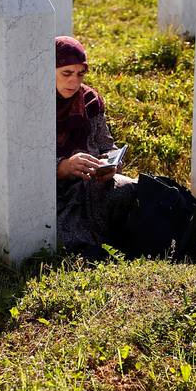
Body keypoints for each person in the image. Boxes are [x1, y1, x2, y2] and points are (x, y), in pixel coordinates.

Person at [54, 36, 139, 259]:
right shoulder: (35, 105)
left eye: (80, 74)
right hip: (57, 194)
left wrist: (110, 165)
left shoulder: (89, 100)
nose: (74, 81)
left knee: (132, 191)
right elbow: (25, 163)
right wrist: (62, 167)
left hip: (94, 184)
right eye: (66, 73)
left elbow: (106, 145)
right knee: (68, 231)